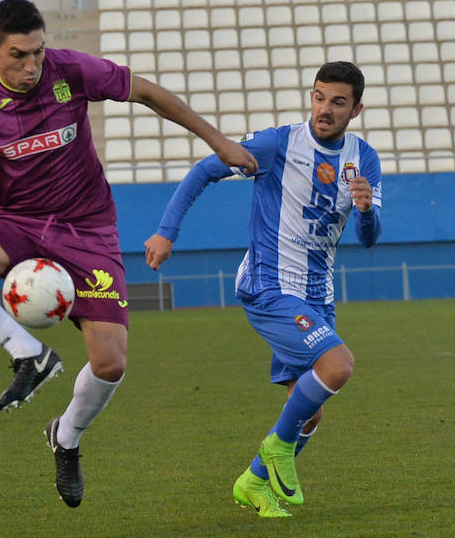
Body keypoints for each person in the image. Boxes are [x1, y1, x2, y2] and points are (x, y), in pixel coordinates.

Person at [0, 0, 257, 506]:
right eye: (18, 55)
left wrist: (218, 142)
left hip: (88, 230)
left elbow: (147, 91)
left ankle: (66, 437)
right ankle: (28, 353)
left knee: (110, 365)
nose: (30, 66)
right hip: (18, 225)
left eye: (37, 52)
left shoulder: (69, 70)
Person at [145, 62, 382, 518]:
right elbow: (205, 170)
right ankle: (276, 449)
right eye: (318, 97)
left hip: (317, 294)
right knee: (338, 365)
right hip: (268, 284)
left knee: (310, 411)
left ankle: (252, 481)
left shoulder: (363, 157)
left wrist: (367, 210)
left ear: (356, 108)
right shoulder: (279, 143)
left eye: (337, 102)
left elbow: (369, 238)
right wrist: (165, 231)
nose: (324, 109)